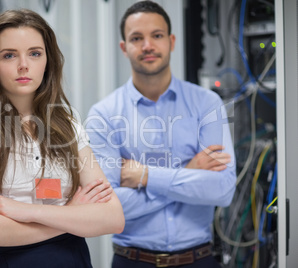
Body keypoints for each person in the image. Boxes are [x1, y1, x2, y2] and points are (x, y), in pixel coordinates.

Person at [0, 9, 124, 268]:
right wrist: (71, 217)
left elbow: (113, 217)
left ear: (48, 60)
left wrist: (29, 212)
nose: (23, 65)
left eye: (35, 53)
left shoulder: (68, 124)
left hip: (71, 259)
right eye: (9, 55)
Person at [86, 1, 236, 267]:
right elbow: (107, 208)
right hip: (132, 260)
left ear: (171, 41)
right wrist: (189, 172)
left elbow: (222, 191)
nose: (147, 46)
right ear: (124, 47)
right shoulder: (104, 115)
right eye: (136, 38)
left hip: (198, 259)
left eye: (156, 35)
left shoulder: (207, 104)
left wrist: (145, 176)